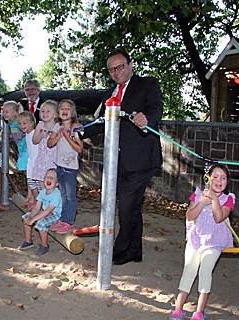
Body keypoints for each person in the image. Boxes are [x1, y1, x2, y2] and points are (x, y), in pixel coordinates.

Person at [80, 48, 163, 265]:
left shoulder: (147, 84)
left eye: (120, 66)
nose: (116, 72)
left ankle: (116, 251)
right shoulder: (110, 93)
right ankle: (134, 252)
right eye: (111, 69)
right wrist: (81, 130)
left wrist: (148, 120)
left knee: (126, 207)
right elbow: (101, 122)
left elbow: (156, 109)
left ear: (130, 65)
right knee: (131, 207)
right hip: (117, 161)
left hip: (142, 159)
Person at [169, 164, 235, 320]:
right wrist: (202, 202)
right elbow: (190, 216)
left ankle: (199, 311)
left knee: (205, 269)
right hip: (196, 238)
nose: (219, 181)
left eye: (223, 178)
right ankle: (178, 309)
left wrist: (213, 200)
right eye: (215, 177)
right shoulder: (198, 194)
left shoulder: (228, 199)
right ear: (208, 179)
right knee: (189, 269)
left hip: (214, 240)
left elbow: (219, 217)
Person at [47, 99, 83, 234]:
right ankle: (63, 219)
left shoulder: (76, 128)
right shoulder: (57, 127)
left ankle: (69, 222)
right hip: (59, 166)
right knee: (63, 195)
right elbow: (49, 143)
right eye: (62, 108)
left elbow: (79, 148)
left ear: (72, 112)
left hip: (70, 168)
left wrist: (68, 137)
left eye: (68, 108)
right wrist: (58, 136)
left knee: (70, 196)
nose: (65, 110)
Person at [18, 168, 62, 255]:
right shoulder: (42, 192)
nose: (49, 178)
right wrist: (31, 217)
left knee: (41, 223)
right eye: (47, 176)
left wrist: (34, 219)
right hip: (45, 213)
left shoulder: (57, 194)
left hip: (55, 215)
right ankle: (28, 241)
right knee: (26, 217)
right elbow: (37, 207)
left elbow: (49, 211)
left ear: (57, 183)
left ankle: (44, 245)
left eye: (52, 177)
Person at [30, 100, 59, 201]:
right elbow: (34, 140)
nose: (44, 113)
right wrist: (41, 135)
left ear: (55, 114)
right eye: (42, 111)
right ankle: (43, 205)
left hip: (53, 160)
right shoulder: (40, 125)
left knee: (52, 183)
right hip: (42, 159)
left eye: (48, 111)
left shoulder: (58, 127)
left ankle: (52, 205)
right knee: (41, 183)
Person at [17, 111, 37, 209]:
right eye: (20, 123)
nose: (22, 125)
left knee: (35, 182)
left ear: (31, 123)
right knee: (29, 180)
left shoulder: (35, 133)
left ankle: (35, 200)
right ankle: (30, 197)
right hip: (30, 160)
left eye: (24, 123)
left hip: (36, 161)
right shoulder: (27, 134)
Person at [1, 100, 28, 171]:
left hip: (26, 146)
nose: (4, 114)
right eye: (3, 111)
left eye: (7, 112)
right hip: (20, 147)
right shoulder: (10, 123)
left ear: (15, 113)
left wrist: (23, 135)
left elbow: (29, 129)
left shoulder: (18, 122)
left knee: (22, 165)